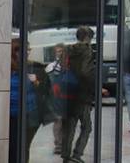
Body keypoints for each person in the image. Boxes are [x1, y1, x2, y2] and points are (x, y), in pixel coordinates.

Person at [54, 28, 97, 163]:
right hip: (83, 94)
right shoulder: (88, 51)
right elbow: (85, 72)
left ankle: (65, 156)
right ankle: (77, 154)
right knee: (87, 126)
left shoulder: (67, 49)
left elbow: (61, 68)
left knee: (69, 127)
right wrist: (94, 85)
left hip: (68, 93)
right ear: (88, 38)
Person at [10, 38, 48, 162]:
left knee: (22, 147)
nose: (26, 53)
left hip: (29, 114)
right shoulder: (6, 66)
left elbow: (47, 88)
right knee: (12, 146)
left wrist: (36, 82)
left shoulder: (34, 67)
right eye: (23, 50)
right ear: (14, 51)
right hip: (10, 114)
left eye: (28, 50)